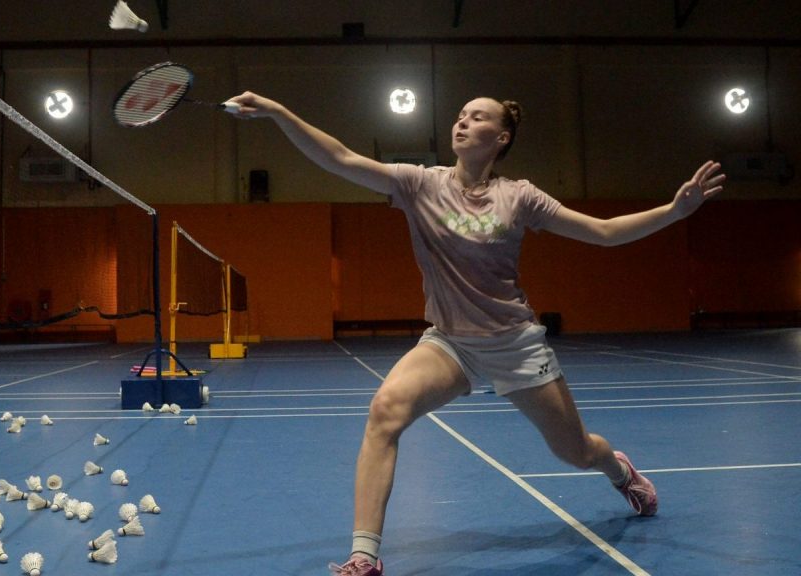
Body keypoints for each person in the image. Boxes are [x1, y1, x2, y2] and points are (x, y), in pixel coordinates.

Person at [225, 91, 725, 576]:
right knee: (385, 412)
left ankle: (618, 470)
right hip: (450, 342)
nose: (462, 121)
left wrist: (674, 212)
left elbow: (604, 232)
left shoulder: (519, 196)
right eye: (461, 114)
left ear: (501, 137)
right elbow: (339, 158)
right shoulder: (419, 184)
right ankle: (365, 557)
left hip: (515, 345)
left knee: (575, 452)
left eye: (477, 117)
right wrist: (277, 111)